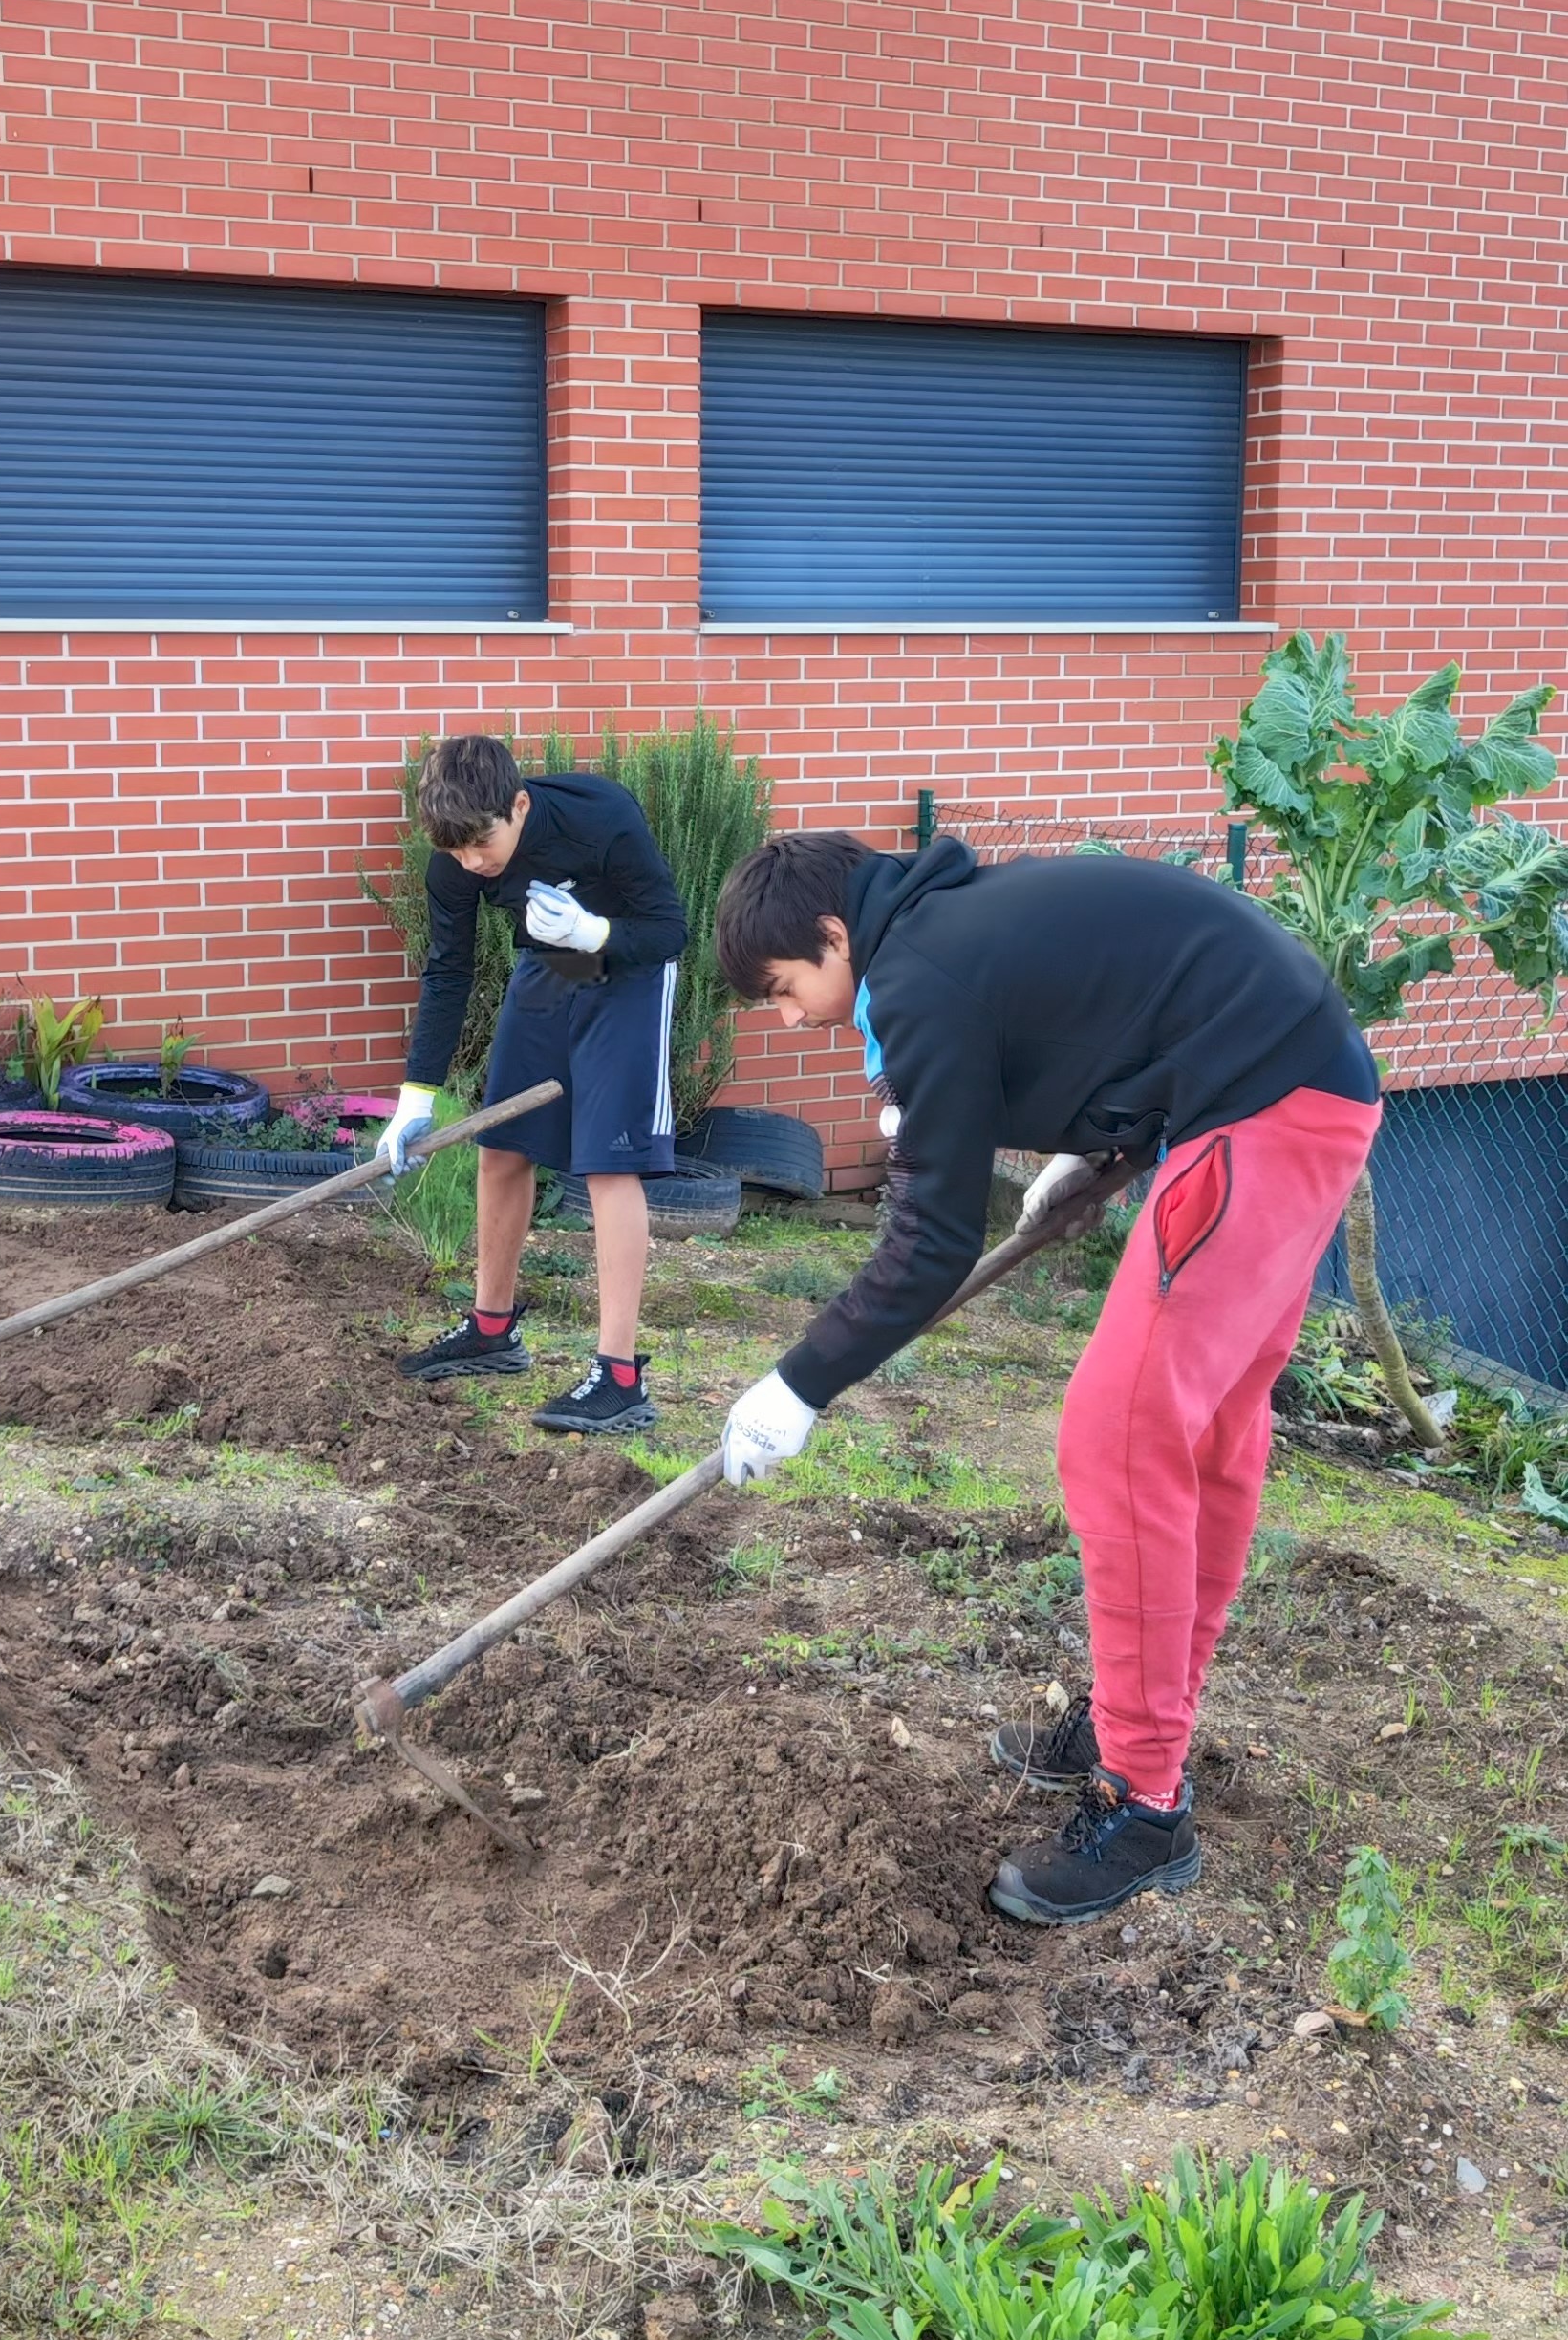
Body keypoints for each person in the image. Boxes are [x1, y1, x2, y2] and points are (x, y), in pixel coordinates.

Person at [712, 830, 1379, 1924]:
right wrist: (1097, 1141)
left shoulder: (918, 973)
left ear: (833, 934)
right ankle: (1138, 1723)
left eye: (784, 988)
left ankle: (1144, 1801)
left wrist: (800, 1383)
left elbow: (930, 1241)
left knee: (1121, 1437)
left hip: (1263, 1107)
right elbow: (1111, 1004)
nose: (787, 1018)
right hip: (1294, 1088)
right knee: (1207, 1434)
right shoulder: (943, 929)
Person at [379, 735, 688, 1436]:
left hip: (627, 970)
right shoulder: (456, 857)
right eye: (455, 851)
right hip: (550, 969)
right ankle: (491, 1331)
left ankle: (619, 1378)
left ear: (518, 805)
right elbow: (448, 971)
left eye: (481, 845)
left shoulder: (601, 815)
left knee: (610, 1163)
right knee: (501, 1145)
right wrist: (416, 1099)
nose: (471, 864)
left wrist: (595, 932)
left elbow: (669, 930)